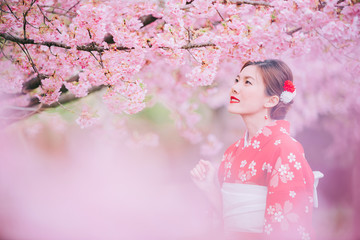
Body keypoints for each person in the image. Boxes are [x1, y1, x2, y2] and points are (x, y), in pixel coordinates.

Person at [190, 59, 322, 240]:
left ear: (272, 100)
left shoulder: (285, 148)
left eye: (247, 82)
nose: (235, 88)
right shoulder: (232, 152)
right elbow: (229, 221)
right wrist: (210, 189)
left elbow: (286, 229)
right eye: (237, 80)